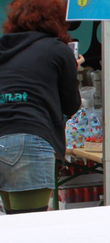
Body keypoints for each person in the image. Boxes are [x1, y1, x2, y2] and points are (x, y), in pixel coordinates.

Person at [0, 0, 82, 214]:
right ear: (56, 20)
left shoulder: (3, 47)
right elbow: (71, 105)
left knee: (13, 225)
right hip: (31, 138)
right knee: (30, 227)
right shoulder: (57, 50)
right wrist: (72, 69)